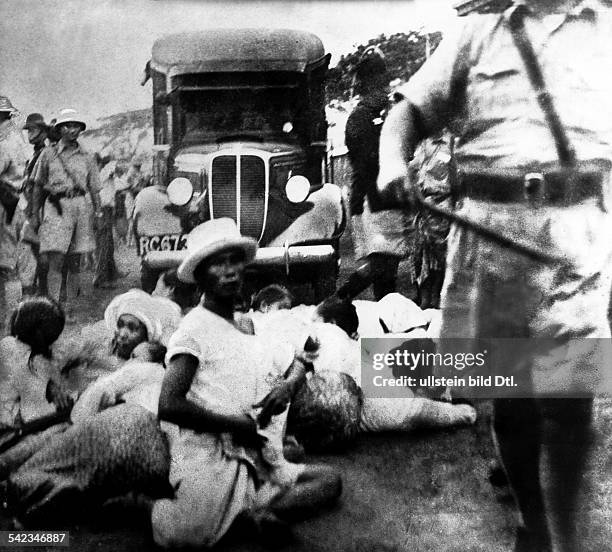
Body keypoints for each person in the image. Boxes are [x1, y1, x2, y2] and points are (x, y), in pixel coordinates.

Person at [376, 2, 612, 551]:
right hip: (489, 235)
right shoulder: (476, 31)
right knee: (511, 391)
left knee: (571, 394)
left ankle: (565, 538)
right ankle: (533, 523)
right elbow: (406, 116)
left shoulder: (604, 27)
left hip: (574, 234)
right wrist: (394, 164)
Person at [150, 218, 342, 548]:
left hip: (252, 449)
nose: (229, 271)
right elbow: (169, 404)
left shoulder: (248, 326)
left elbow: (296, 359)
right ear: (200, 276)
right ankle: (233, 516)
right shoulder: (193, 330)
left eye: (234, 261)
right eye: (217, 264)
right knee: (186, 534)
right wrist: (234, 425)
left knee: (330, 480)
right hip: (208, 452)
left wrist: (287, 385)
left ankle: (245, 515)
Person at [344, 47, 412, 300]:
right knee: (381, 264)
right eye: (379, 84)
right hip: (371, 199)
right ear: (368, 84)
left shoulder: (383, 113)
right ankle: (337, 301)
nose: (384, 89)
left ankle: (386, 323)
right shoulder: (361, 117)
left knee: (388, 270)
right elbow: (366, 163)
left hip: (385, 198)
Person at [30, 109, 103, 309]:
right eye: (67, 126)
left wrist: (98, 213)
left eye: (76, 126)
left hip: (80, 206)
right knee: (56, 260)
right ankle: (53, 306)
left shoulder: (88, 156)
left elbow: (95, 189)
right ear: (60, 129)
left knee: (75, 261)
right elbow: (37, 185)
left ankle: (69, 306)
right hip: (56, 207)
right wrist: (35, 214)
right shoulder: (48, 154)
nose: (72, 130)